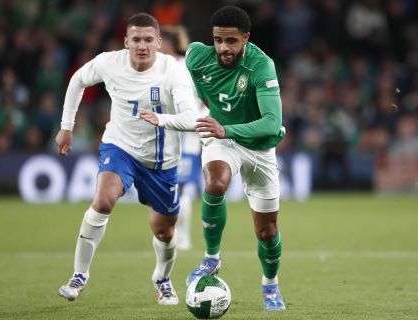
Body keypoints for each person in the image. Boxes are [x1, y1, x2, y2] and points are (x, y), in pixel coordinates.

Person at [141, 5, 287, 310]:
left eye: (231, 41)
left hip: (259, 146)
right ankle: (211, 257)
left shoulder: (262, 66)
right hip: (222, 140)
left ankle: (270, 285)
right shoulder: (196, 57)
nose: (224, 48)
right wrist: (214, 125)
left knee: (267, 231)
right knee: (215, 183)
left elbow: (272, 123)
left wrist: (226, 127)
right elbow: (199, 94)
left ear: (245, 38)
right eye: (218, 40)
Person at [56, 13, 198, 305]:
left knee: (165, 230)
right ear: (126, 41)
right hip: (120, 147)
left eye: (148, 40)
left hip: (161, 162)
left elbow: (191, 117)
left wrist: (160, 119)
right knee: (104, 200)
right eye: (136, 39)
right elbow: (78, 80)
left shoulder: (173, 71)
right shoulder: (110, 62)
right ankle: (78, 276)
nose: (142, 45)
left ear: (159, 42)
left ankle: (162, 279)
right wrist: (66, 127)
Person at [159, 25, 207, 250]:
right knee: (175, 187)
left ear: (168, 45)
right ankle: (176, 234)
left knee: (182, 187)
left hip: (185, 134)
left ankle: (183, 237)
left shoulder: (180, 67)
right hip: (173, 134)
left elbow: (200, 99)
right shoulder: (169, 67)